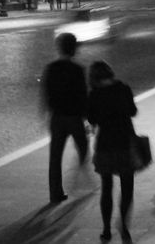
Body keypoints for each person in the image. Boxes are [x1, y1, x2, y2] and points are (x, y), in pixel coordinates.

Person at [88, 60, 137, 242]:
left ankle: (106, 229)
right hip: (124, 142)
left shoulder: (94, 94)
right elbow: (132, 111)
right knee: (127, 187)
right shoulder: (123, 88)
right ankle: (124, 226)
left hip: (105, 145)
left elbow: (92, 119)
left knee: (106, 188)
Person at [41, 32, 88, 203]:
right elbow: (83, 96)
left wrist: (46, 113)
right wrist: (87, 118)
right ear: (73, 49)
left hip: (57, 117)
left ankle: (55, 193)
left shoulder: (51, 68)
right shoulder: (78, 70)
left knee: (55, 157)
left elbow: (46, 93)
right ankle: (79, 178)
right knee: (83, 147)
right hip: (74, 117)